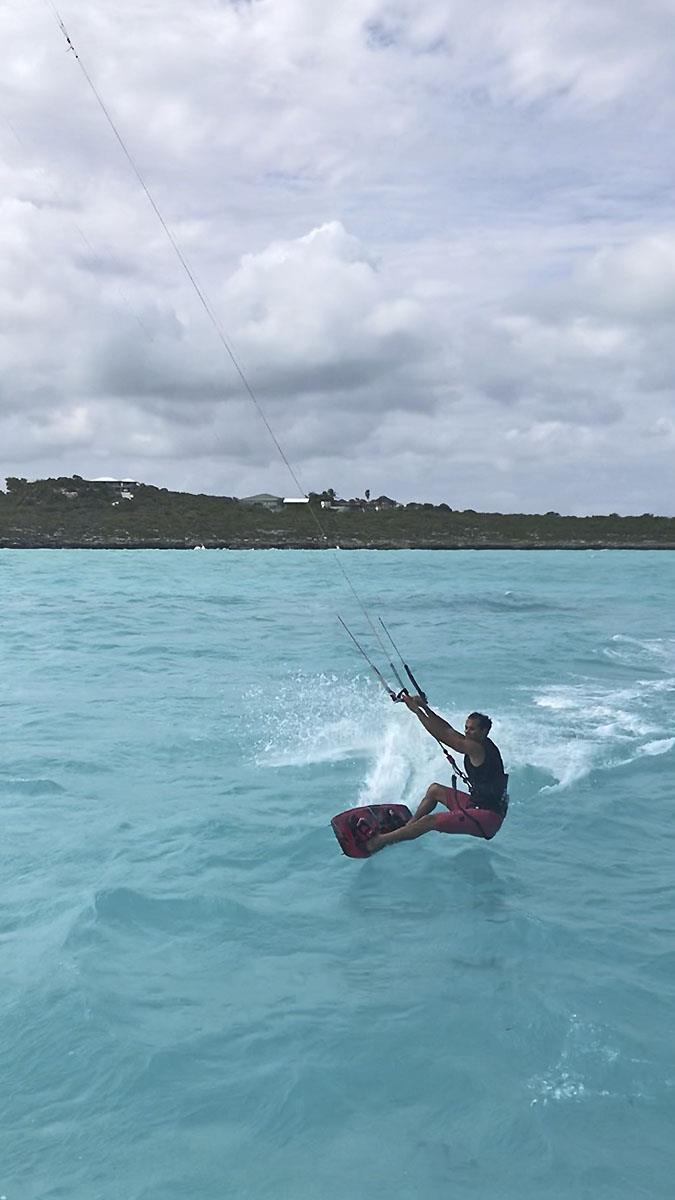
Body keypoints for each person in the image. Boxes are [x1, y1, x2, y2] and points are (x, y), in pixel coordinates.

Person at [365, 696, 508, 854]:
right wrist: (425, 708)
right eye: (466, 728)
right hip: (475, 804)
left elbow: (446, 737)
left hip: (487, 818)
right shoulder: (477, 742)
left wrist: (418, 712)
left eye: (472, 729)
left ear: (484, 731)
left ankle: (379, 842)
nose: (467, 732)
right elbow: (448, 730)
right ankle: (410, 824)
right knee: (434, 790)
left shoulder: (477, 748)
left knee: (429, 821)